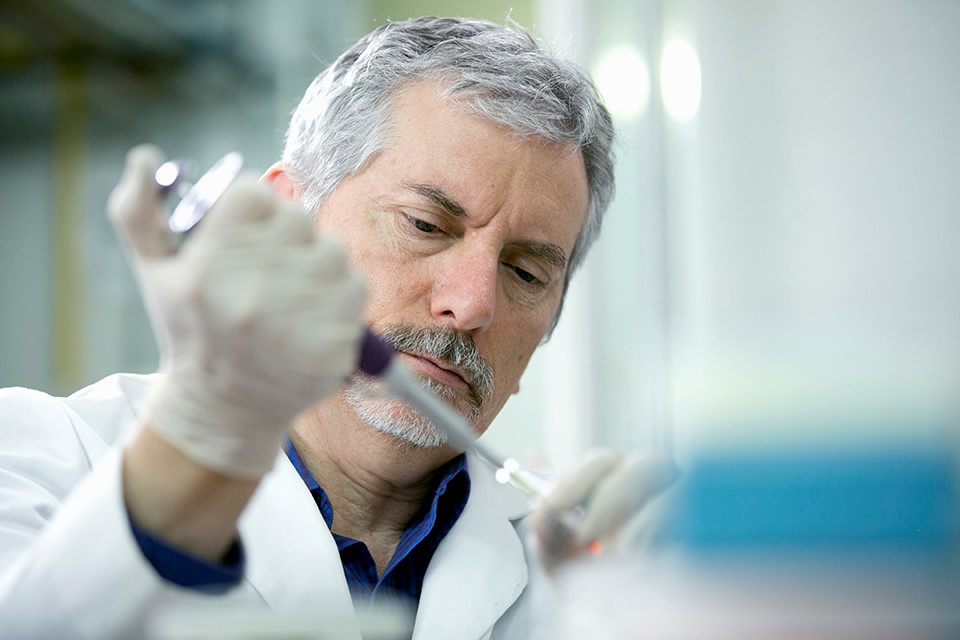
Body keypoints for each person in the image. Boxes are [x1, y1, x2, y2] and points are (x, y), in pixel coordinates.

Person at [0, 16, 674, 639]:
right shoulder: (40, 459)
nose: (472, 305)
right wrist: (187, 458)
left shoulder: (575, 570)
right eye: (425, 225)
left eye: (526, 272)